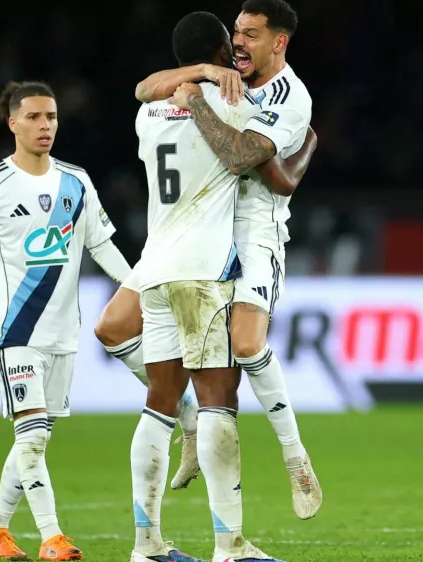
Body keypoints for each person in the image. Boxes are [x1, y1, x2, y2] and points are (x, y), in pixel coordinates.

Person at [134, 0, 322, 520]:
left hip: (253, 228)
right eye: (236, 32)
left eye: (252, 35)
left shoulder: (290, 97)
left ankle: (294, 453)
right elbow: (146, 87)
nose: (239, 43)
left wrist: (303, 150)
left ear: (279, 42)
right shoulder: (221, 83)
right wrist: (200, 76)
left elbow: (266, 172)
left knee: (245, 344)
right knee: (112, 326)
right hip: (193, 229)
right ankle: (189, 419)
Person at [0, 81, 132, 561]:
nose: (46, 126)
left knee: (35, 434)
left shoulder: (76, 182)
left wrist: (138, 289)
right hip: (14, 329)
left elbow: (101, 244)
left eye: (52, 117)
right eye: (35, 118)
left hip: (63, 332)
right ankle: (52, 537)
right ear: (12, 123)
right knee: (35, 432)